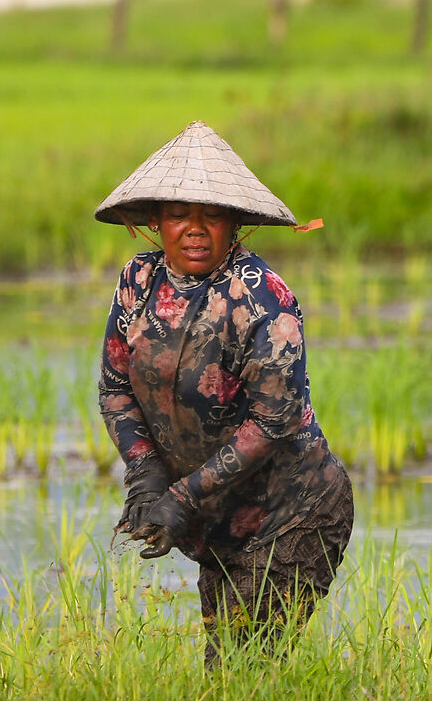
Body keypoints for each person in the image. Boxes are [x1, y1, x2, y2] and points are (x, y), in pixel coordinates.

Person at [93, 120, 351, 666]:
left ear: (235, 224)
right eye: (180, 214)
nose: (194, 229)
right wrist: (146, 477)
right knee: (230, 676)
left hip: (294, 510)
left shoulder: (262, 299)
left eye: (212, 215)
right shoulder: (138, 282)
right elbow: (115, 387)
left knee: (238, 665)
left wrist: (181, 499)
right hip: (220, 522)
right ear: (155, 221)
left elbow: (272, 422)